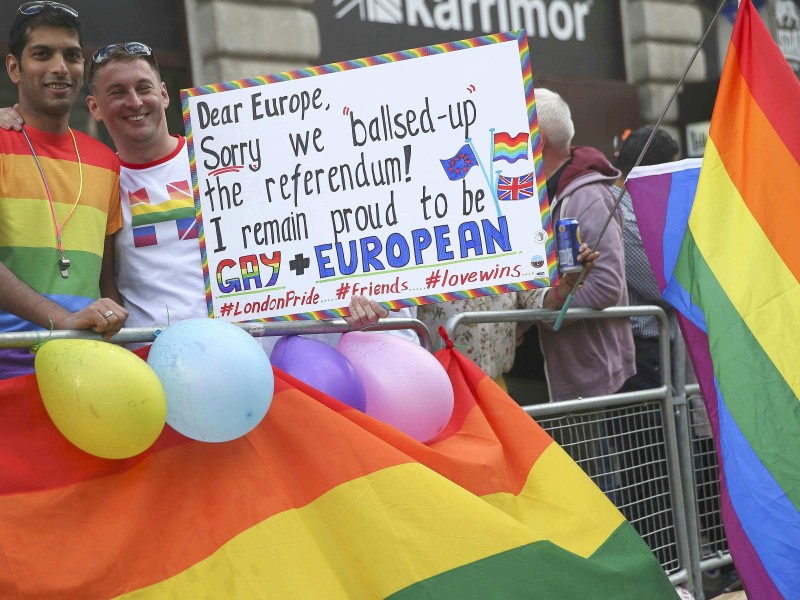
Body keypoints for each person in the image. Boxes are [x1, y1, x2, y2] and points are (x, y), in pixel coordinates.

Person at [1, 40, 411, 351]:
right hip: (157, 359)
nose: (134, 102)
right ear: (93, 106)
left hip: (256, 351)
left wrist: (354, 293)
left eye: (143, 88)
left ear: (163, 94)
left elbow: (304, 233)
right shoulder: (94, 178)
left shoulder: (234, 161)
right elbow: (102, 279)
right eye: (116, 92)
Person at [0, 2, 127, 379]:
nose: (60, 67)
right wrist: (65, 320)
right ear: (14, 68)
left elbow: (106, 280)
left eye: (71, 56)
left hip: (84, 372)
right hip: (7, 369)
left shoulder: (106, 161)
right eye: (42, 54)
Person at [512, 88, 635, 402]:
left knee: (587, 453)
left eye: (516, 130)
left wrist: (540, 311)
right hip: (539, 373)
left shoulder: (587, 196)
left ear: (539, 140)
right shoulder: (529, 192)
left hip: (584, 379)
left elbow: (607, 286)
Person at [418, 243, 598, 389]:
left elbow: (539, 300)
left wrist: (569, 283)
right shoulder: (421, 231)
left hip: (494, 384)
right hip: (438, 388)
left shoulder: (510, 229)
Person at [612, 126, 682, 391]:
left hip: (656, 347)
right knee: (651, 431)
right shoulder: (622, 211)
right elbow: (664, 286)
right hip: (643, 352)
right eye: (670, 171)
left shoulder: (635, 206)